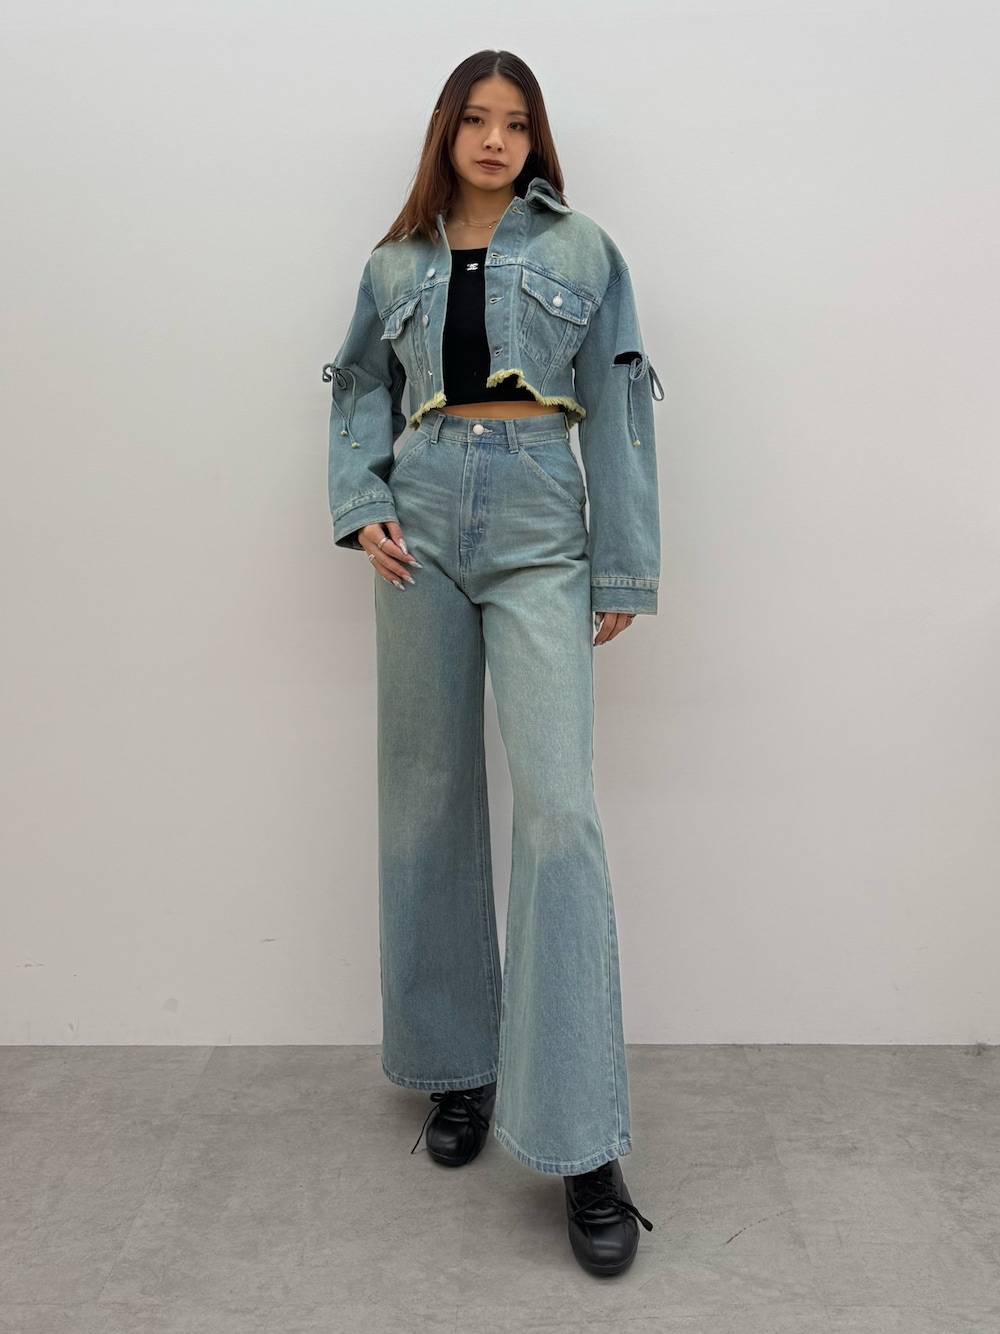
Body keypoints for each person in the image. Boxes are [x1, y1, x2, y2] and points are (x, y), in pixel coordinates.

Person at [322, 49, 662, 1277]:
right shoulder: (394, 263)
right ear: (445, 130)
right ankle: (456, 1067)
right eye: (476, 118)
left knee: (559, 812)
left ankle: (583, 1138)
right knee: (425, 796)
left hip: (536, 526)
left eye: (516, 122)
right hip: (420, 522)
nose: (496, 139)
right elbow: (357, 388)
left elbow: (620, 403)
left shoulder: (582, 250)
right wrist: (361, 501)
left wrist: (622, 565)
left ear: (535, 139)